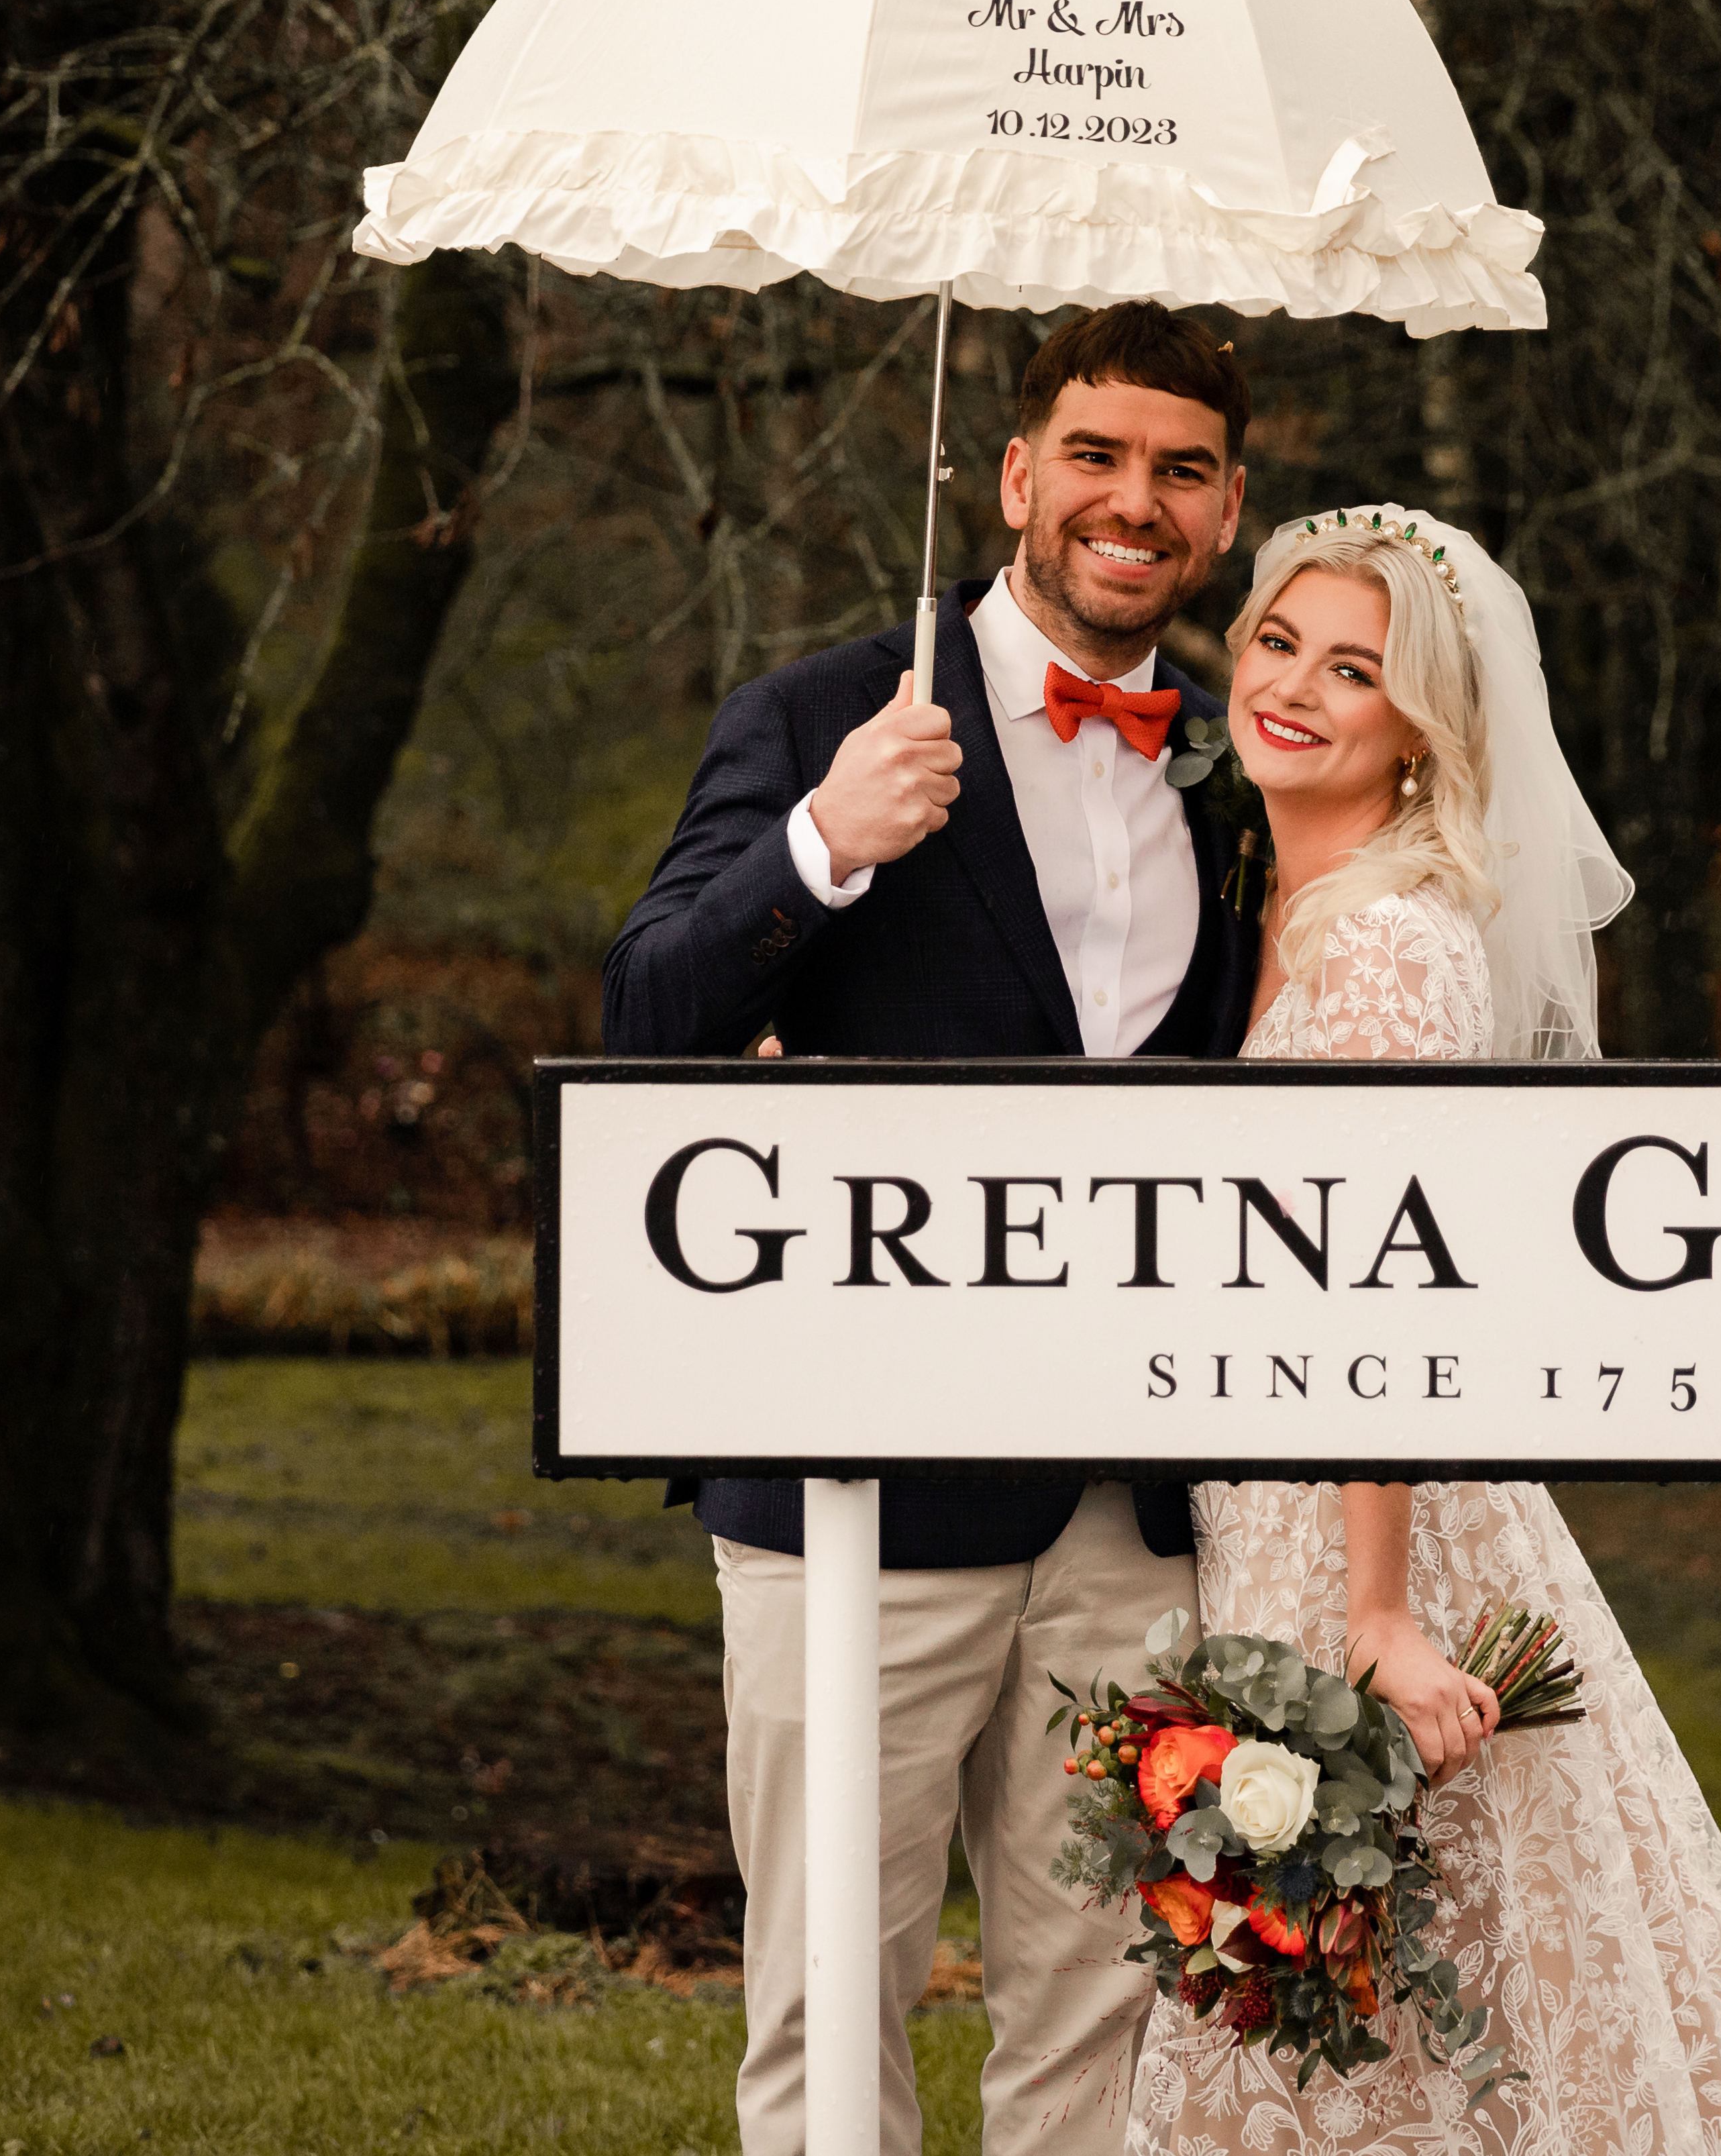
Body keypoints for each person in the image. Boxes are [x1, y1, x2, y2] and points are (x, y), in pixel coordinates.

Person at [1123, 506, 1721, 2155]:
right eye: (1277, 646)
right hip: (1270, 1519)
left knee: (1431, 2022)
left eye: (1358, 671)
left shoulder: (1395, 952)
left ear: (1427, 729)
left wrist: (1385, 1616)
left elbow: (1383, 1299)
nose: (1298, 690)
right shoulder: (1280, 914)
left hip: (1374, 1536)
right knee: (1367, 2023)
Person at [602, 302, 1266, 2156]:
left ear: (1224, 513)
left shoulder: (1232, 776)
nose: (1132, 502)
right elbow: (645, 1016)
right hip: (852, 1491)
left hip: (1129, 1514)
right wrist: (823, 842)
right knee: (831, 2007)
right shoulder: (826, 718)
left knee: (1108, 2012)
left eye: (1180, 471)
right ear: (1015, 480)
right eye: (1098, 457)